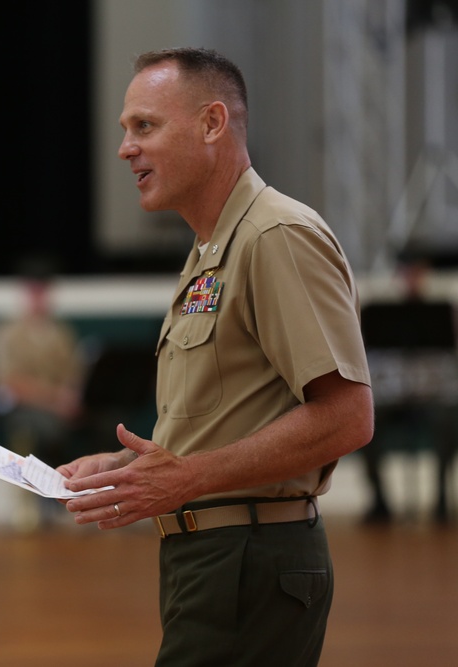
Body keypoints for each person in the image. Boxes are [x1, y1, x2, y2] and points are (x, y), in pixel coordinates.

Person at [57, 48, 373, 666]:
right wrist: (128, 467)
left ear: (211, 123)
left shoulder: (273, 237)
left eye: (144, 126)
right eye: (125, 130)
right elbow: (234, 416)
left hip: (251, 560)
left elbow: (346, 417)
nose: (126, 148)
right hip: (213, 560)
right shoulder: (212, 249)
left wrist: (188, 479)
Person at [0, 277, 84, 530]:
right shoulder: (5, 334)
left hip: (60, 409)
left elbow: (74, 374)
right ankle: (30, 503)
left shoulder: (61, 333)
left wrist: (72, 397)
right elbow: (7, 381)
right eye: (34, 292)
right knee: (36, 427)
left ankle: (81, 498)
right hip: (22, 408)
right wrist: (54, 400)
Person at [360, 258, 458, 525]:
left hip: (430, 397)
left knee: (446, 421)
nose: (412, 279)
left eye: (418, 273)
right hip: (394, 398)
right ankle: (380, 500)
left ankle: (441, 500)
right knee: (363, 426)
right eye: (407, 274)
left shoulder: (441, 313)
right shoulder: (379, 315)